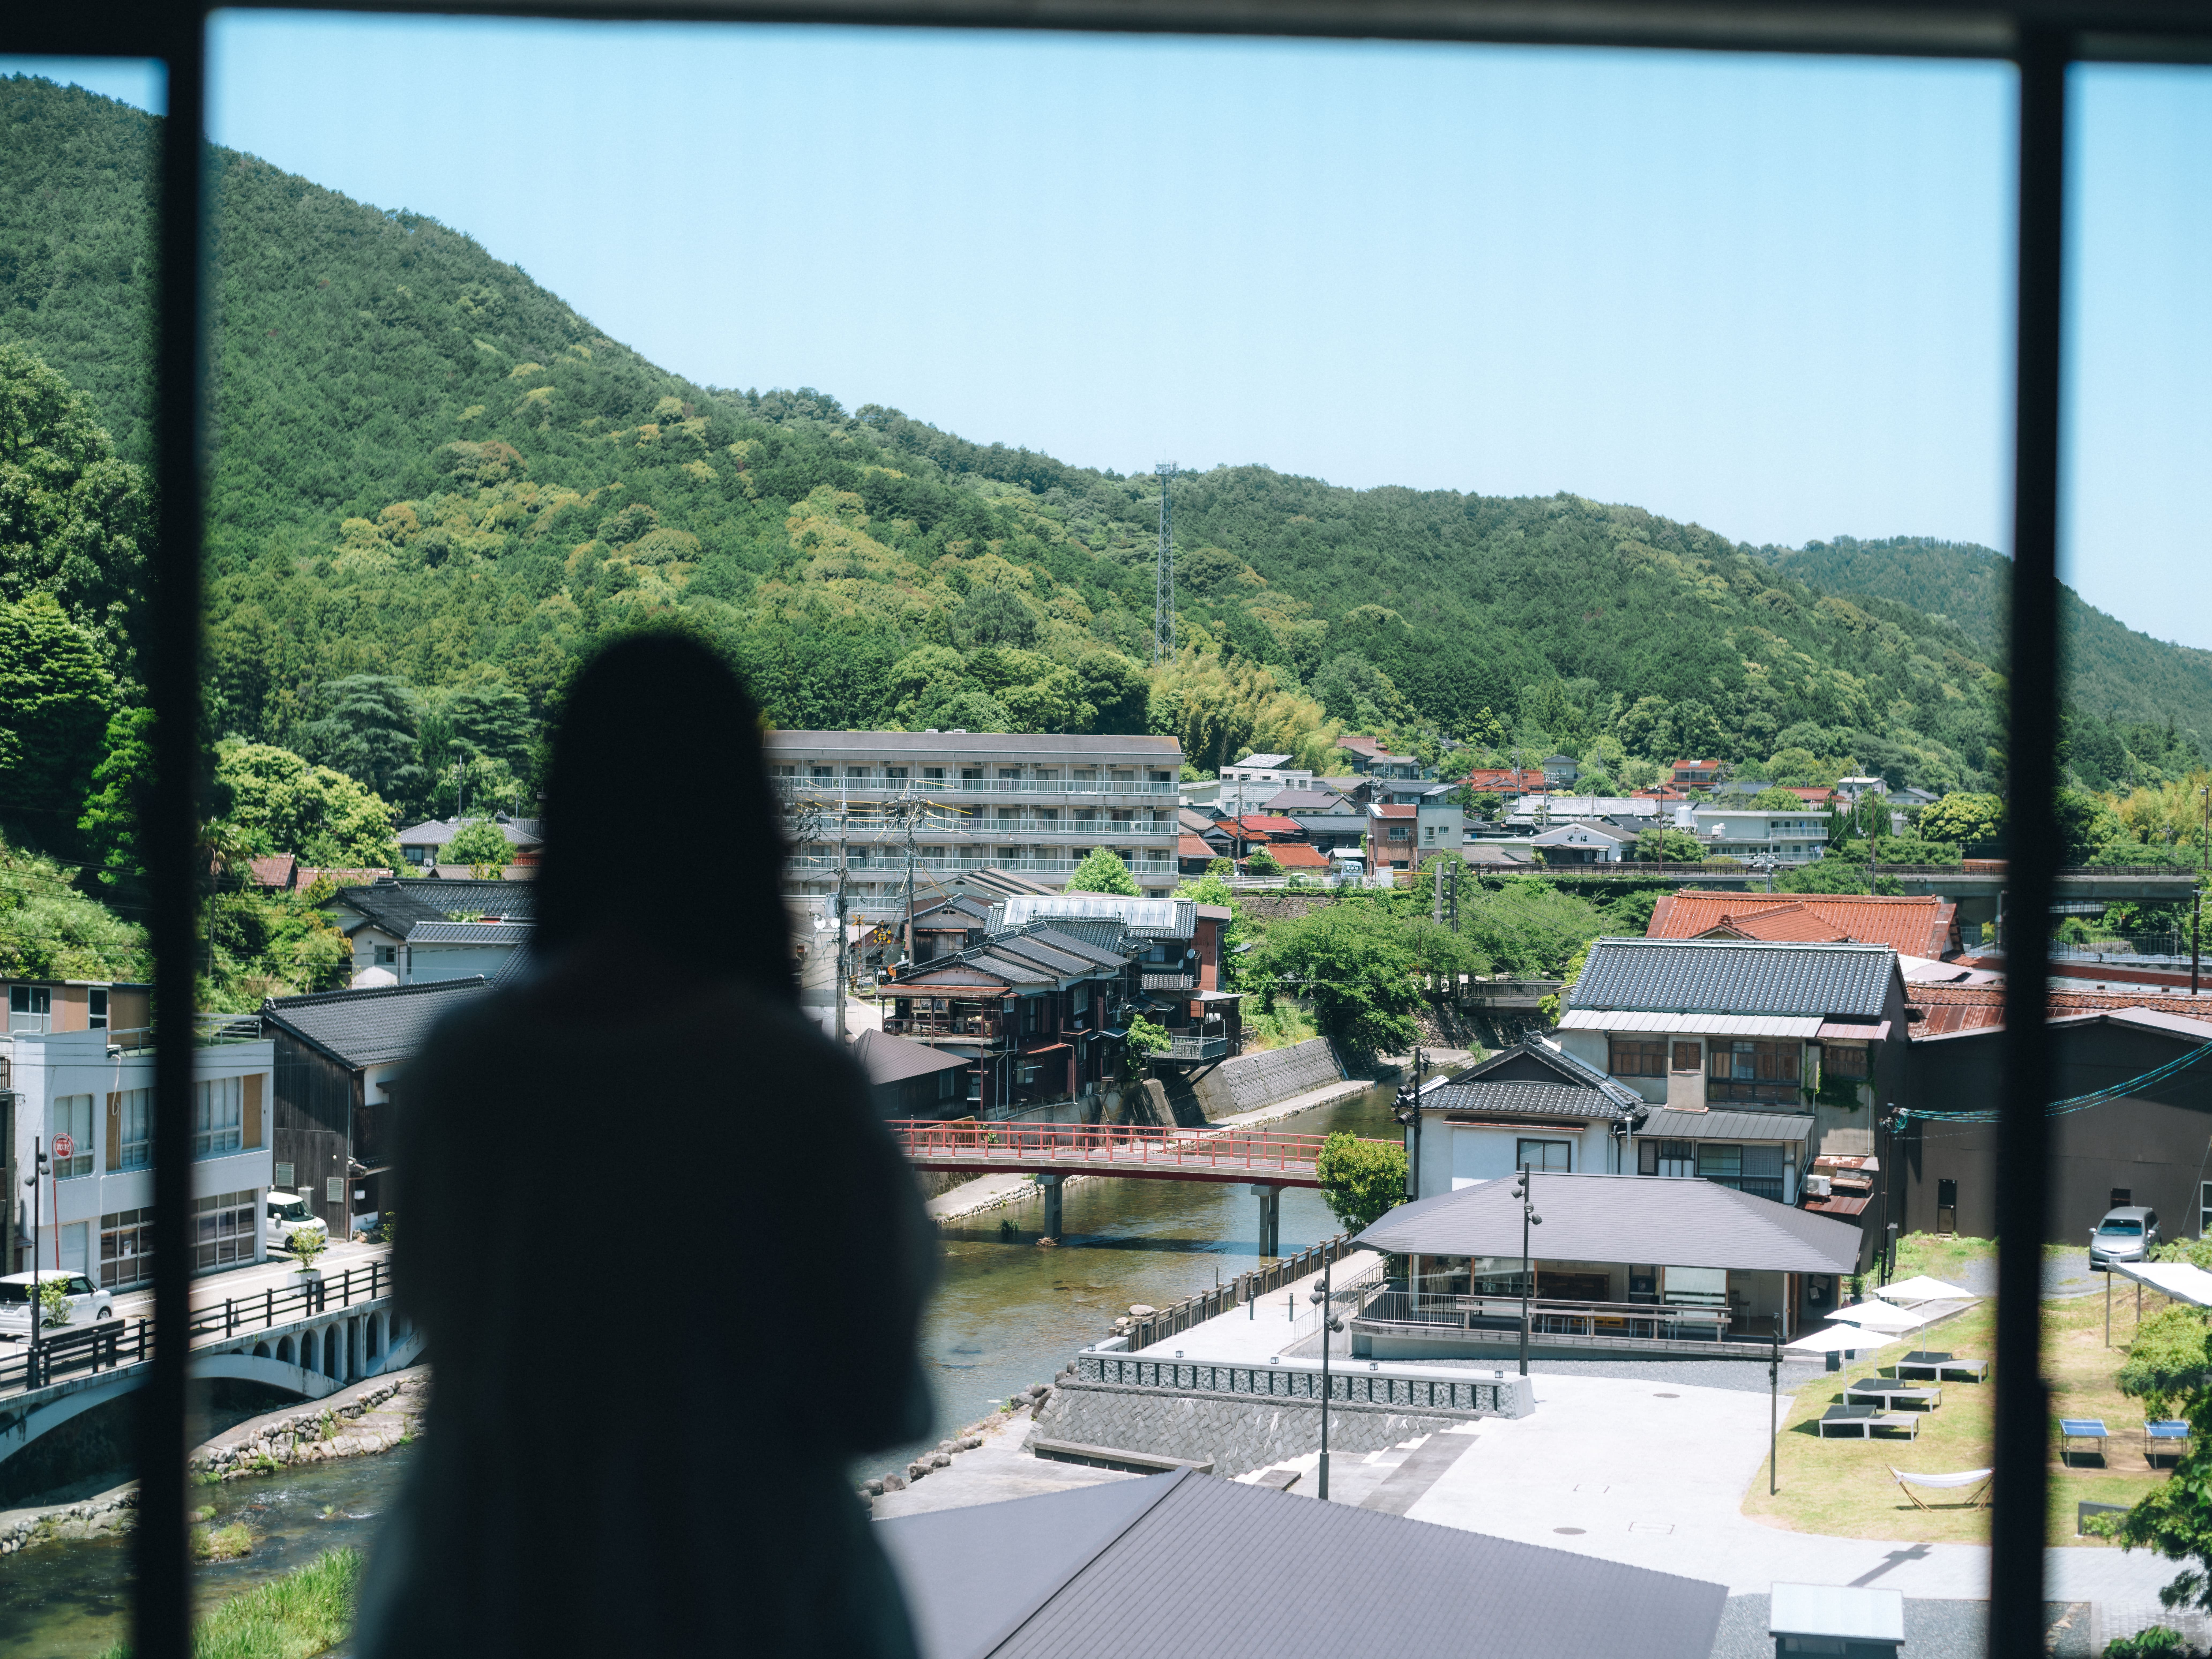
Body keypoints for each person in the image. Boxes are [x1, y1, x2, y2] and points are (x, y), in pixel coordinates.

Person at [357, 634, 935, 1659]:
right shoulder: (794, 1088)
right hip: (756, 1593)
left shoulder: (467, 1069)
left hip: (488, 1588)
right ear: (746, 830)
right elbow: (879, 1398)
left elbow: (429, 1322)